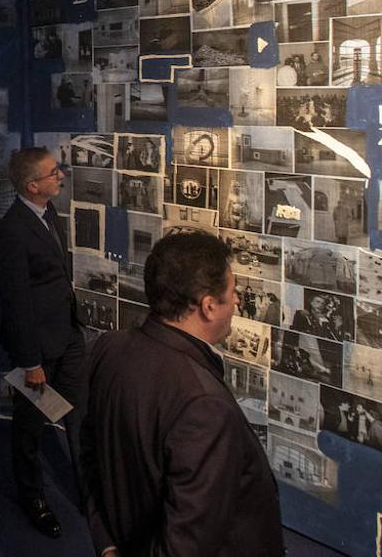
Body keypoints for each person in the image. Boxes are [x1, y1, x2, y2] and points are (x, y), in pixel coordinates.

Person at [82, 231, 284, 556]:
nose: (236, 301)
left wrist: (106, 543)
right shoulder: (204, 405)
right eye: (232, 292)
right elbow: (186, 545)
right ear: (208, 306)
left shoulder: (110, 348)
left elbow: (92, 456)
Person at [0, 147, 85, 539]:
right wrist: (31, 361)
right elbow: (16, 302)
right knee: (30, 427)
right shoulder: (13, 232)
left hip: (68, 336)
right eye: (53, 173)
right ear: (33, 185)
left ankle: (89, 492)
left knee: (80, 417)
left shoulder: (49, 213)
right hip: (39, 348)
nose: (60, 175)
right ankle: (33, 496)